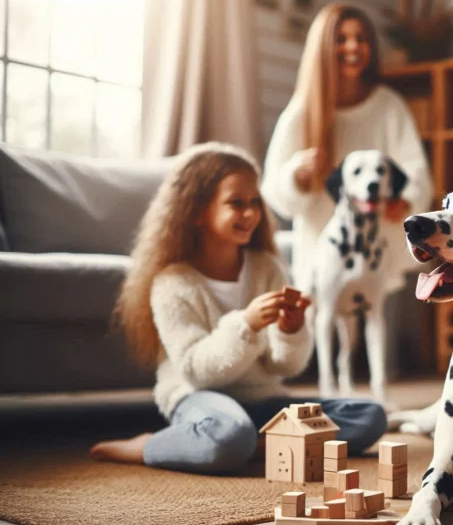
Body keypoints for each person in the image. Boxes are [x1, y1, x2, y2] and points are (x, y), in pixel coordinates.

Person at [89, 142, 387, 474]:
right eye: (236, 204)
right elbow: (194, 369)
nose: (250, 214)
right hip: (199, 397)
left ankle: (252, 447)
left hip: (262, 399)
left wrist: (291, 331)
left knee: (369, 416)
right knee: (229, 434)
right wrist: (246, 324)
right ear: (198, 211)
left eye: (254, 203)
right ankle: (149, 446)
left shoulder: (267, 268)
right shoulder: (172, 283)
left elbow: (283, 367)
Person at [260, 3, 433, 294]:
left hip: (378, 258)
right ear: (323, 47)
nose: (353, 46)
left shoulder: (389, 106)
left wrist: (404, 201)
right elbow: (274, 193)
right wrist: (298, 176)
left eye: (361, 38)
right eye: (341, 38)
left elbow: (417, 173)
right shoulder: (301, 113)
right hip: (320, 259)